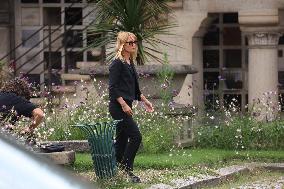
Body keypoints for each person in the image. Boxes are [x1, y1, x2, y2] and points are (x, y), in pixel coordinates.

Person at [109, 31, 154, 183]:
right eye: (130, 42)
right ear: (122, 44)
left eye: (135, 42)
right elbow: (113, 88)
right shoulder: (117, 63)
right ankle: (126, 170)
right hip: (118, 107)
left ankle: (113, 171)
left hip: (126, 105)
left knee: (121, 140)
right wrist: (123, 105)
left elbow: (134, 90)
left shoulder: (130, 62)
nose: (134, 44)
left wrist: (145, 101)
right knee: (136, 136)